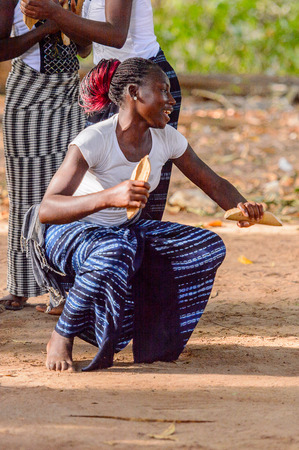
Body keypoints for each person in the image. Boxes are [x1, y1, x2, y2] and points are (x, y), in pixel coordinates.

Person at [23, 57, 264, 371]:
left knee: (207, 246)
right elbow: (48, 209)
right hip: (68, 232)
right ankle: (61, 334)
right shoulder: (94, 140)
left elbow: (214, 183)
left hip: (118, 237)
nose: (171, 100)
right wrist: (110, 197)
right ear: (134, 93)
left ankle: (153, 338)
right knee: (117, 249)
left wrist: (242, 207)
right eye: (162, 91)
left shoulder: (167, 139)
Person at [20, 0, 182, 221]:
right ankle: (104, 245)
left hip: (146, 88)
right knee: (101, 175)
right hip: (108, 81)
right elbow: (85, 47)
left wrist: (56, 13)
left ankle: (142, 248)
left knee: (145, 179)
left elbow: (116, 35)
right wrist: (59, 15)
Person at [0, 0, 90, 310]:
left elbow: (84, 49)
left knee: (69, 192)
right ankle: (21, 286)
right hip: (29, 96)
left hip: (69, 94)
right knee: (27, 195)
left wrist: (63, 16)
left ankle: (64, 290)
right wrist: (50, 27)